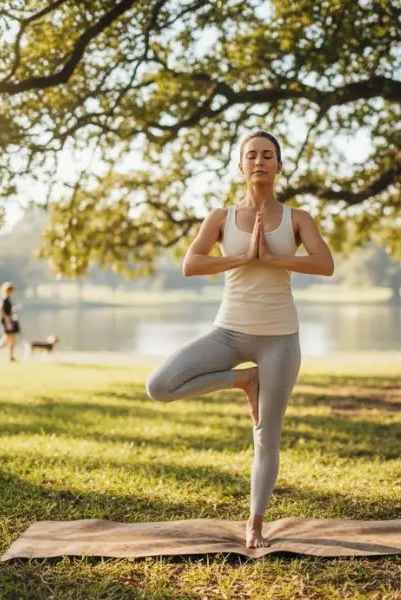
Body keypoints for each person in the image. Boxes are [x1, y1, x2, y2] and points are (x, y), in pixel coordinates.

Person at [145, 130, 335, 549]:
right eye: (252, 155)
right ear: (241, 165)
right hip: (228, 332)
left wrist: (273, 258)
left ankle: (255, 524)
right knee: (159, 385)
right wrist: (243, 257)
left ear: (279, 166)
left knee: (267, 437)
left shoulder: (297, 217)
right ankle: (242, 380)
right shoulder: (220, 217)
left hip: (279, 340)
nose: (260, 161)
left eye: (268, 155)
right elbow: (191, 264)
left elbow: (325, 263)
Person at [0, 281, 20, 362]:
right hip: (7, 322)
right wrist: (7, 318)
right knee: (8, 339)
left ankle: (10, 356)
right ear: (7, 291)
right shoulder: (4, 299)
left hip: (8, 321)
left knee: (9, 339)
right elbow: (0, 309)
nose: (12, 292)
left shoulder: (7, 299)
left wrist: (12, 312)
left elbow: (7, 311)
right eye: (11, 291)